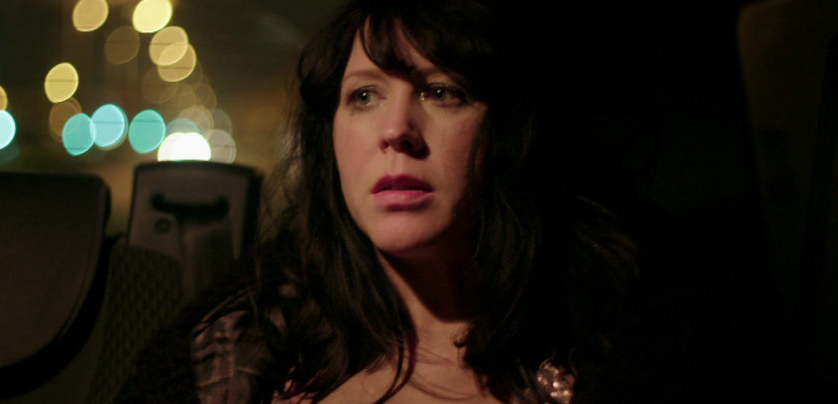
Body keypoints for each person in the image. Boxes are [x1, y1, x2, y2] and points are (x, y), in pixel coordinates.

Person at [120, 0, 636, 402]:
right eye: (364, 96)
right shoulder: (237, 358)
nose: (395, 130)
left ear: (511, 133)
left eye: (441, 92)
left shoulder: (619, 350)